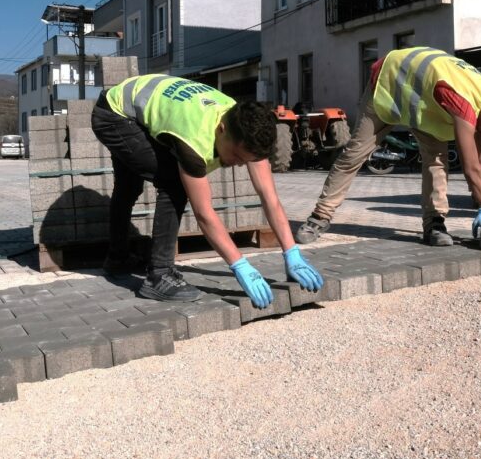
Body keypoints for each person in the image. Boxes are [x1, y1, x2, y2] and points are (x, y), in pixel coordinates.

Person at [91, 74, 324, 306]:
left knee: (129, 186)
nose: (239, 164)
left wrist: (291, 253)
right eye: (236, 156)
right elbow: (204, 213)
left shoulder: (245, 125)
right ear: (221, 129)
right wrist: (239, 265)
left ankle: (118, 258)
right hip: (114, 115)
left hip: (137, 106)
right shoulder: (194, 140)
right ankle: (159, 276)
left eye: (246, 160)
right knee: (173, 183)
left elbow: (270, 199)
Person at [295, 46, 481, 247]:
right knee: (353, 156)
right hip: (389, 86)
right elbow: (471, 170)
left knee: (437, 161)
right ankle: (319, 217)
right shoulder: (465, 103)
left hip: (424, 103)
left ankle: (434, 225)